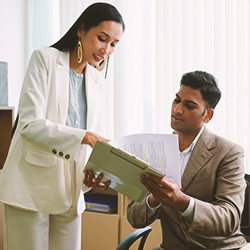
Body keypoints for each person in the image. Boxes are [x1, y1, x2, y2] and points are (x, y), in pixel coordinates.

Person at [0, 2, 125, 250]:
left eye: (113, 44)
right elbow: (29, 125)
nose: (106, 49)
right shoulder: (45, 59)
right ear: (81, 30)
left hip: (71, 192)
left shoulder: (97, 81)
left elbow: (88, 141)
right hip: (31, 188)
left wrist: (91, 176)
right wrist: (85, 137)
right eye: (102, 38)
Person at [127, 71, 247, 250]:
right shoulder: (155, 149)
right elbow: (134, 217)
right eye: (177, 100)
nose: (177, 109)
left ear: (207, 115)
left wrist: (182, 202)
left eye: (190, 106)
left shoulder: (229, 153)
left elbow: (229, 219)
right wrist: (153, 199)